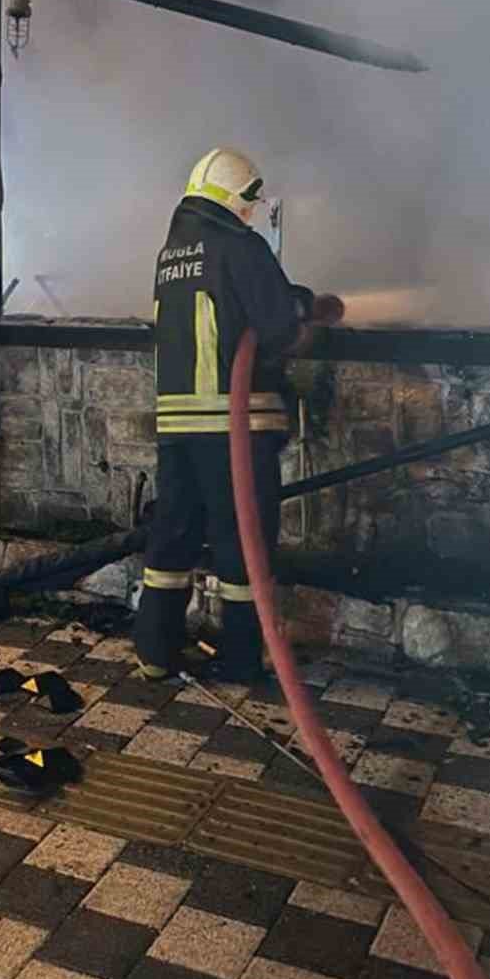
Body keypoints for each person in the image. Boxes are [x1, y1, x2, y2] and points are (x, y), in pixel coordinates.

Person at [135, 147, 338, 683]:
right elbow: (274, 328)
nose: (251, 211)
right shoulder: (239, 246)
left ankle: (155, 650)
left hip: (178, 425)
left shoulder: (171, 252)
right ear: (232, 198)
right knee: (241, 540)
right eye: (248, 201)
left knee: (173, 534)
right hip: (234, 426)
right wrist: (300, 308)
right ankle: (243, 658)